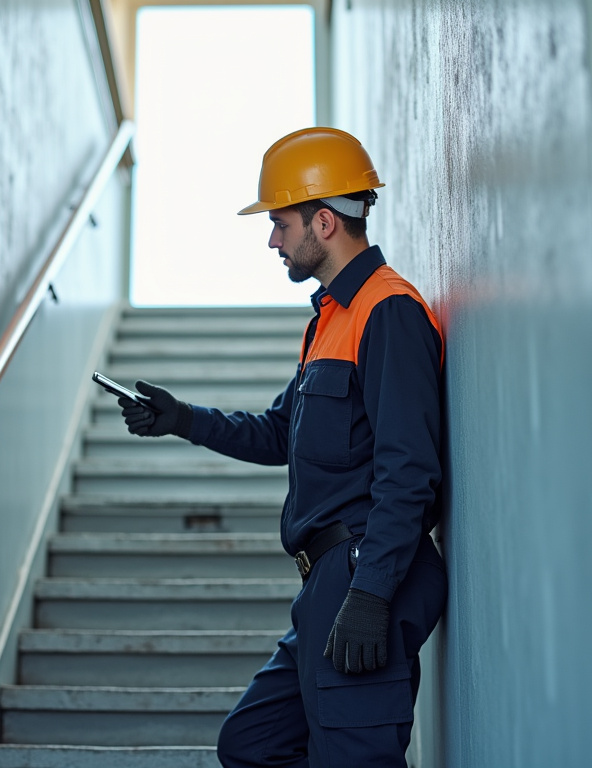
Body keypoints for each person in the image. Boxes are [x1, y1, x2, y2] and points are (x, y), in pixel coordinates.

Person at [118, 127, 447, 767]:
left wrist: (371, 593)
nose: (273, 240)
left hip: (367, 573)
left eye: (279, 223)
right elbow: (280, 432)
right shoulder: (330, 321)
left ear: (324, 221)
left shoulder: (387, 311)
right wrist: (180, 418)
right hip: (330, 583)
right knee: (252, 744)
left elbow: (409, 470)